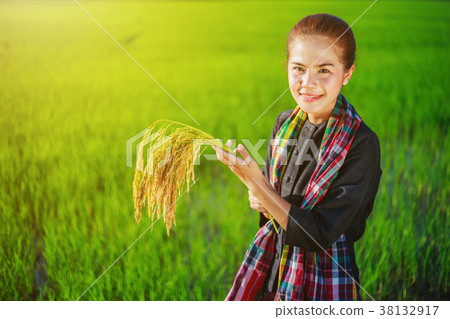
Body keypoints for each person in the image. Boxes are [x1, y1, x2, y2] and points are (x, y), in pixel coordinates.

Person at [212, 13, 382, 301]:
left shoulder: (361, 143)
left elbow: (319, 233)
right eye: (299, 68)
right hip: (273, 268)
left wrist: (257, 186)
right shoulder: (285, 122)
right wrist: (259, 196)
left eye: (324, 70)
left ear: (347, 74)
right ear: (287, 68)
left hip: (325, 282)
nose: (308, 82)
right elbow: (272, 204)